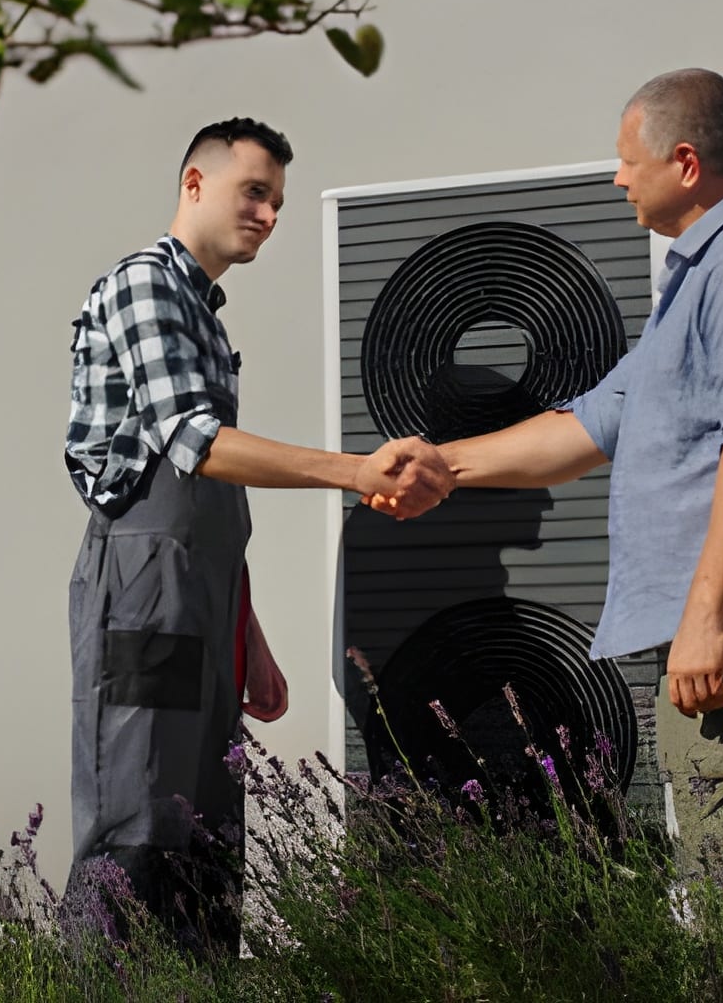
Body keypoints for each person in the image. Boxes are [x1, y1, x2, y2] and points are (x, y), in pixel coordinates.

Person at [429, 69, 723, 997]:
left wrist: (708, 611)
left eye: (628, 162)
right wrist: (443, 466)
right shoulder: (703, 281)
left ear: (685, 160)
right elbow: (587, 426)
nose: (617, 181)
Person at [62, 117, 451, 952]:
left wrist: (248, 636)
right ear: (194, 184)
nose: (271, 215)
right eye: (254, 193)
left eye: (277, 200)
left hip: (201, 603)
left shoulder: (202, 312)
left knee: (207, 834)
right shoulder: (145, 286)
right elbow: (194, 445)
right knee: (138, 829)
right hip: (145, 594)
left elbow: (211, 503)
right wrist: (353, 472)